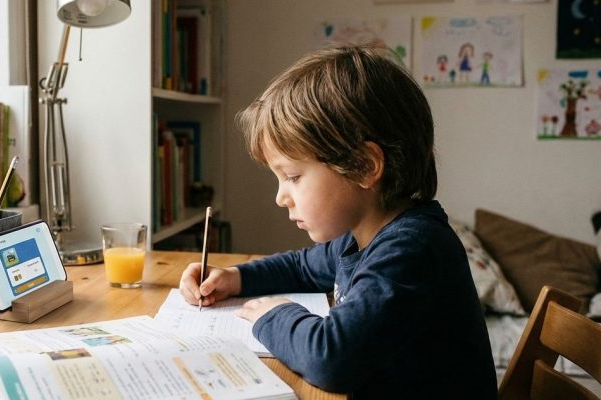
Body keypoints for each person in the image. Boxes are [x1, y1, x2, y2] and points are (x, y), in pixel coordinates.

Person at [178, 43, 498, 399]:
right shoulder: (360, 234)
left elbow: (332, 359)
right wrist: (236, 278)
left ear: (364, 166)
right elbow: (302, 267)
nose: (280, 197)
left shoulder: (412, 248)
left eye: (293, 177)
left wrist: (276, 314)